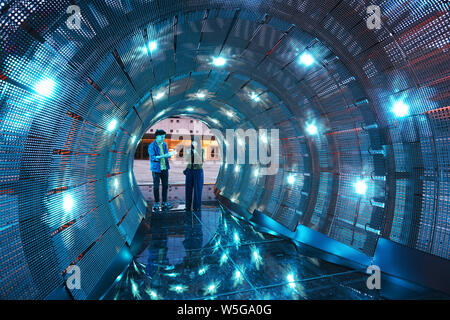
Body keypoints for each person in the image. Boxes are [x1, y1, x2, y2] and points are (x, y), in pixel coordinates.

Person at [148, 129, 174, 211]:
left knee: (165, 185)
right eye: (162, 137)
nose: (163, 138)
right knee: (156, 187)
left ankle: (164, 202)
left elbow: (166, 155)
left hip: (165, 168)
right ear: (157, 136)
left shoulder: (164, 144)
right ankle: (156, 203)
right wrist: (163, 155)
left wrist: (169, 155)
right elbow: (152, 157)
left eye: (164, 137)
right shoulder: (152, 146)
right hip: (156, 169)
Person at [184, 139, 204, 212]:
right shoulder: (189, 150)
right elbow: (186, 160)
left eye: (195, 141)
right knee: (188, 189)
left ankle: (197, 206)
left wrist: (195, 152)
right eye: (192, 141)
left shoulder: (202, 150)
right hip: (189, 170)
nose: (193, 143)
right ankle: (187, 206)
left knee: (197, 189)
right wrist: (189, 153)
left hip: (198, 171)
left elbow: (200, 162)